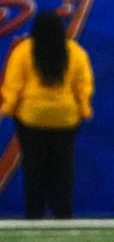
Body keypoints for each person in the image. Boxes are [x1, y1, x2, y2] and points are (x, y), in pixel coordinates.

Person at [1, 11, 94, 219]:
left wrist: (8, 108)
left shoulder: (23, 51)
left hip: (31, 118)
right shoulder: (75, 52)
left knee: (34, 167)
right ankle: (63, 214)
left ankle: (34, 214)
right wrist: (84, 108)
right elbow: (83, 86)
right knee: (63, 167)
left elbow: (12, 85)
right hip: (65, 118)